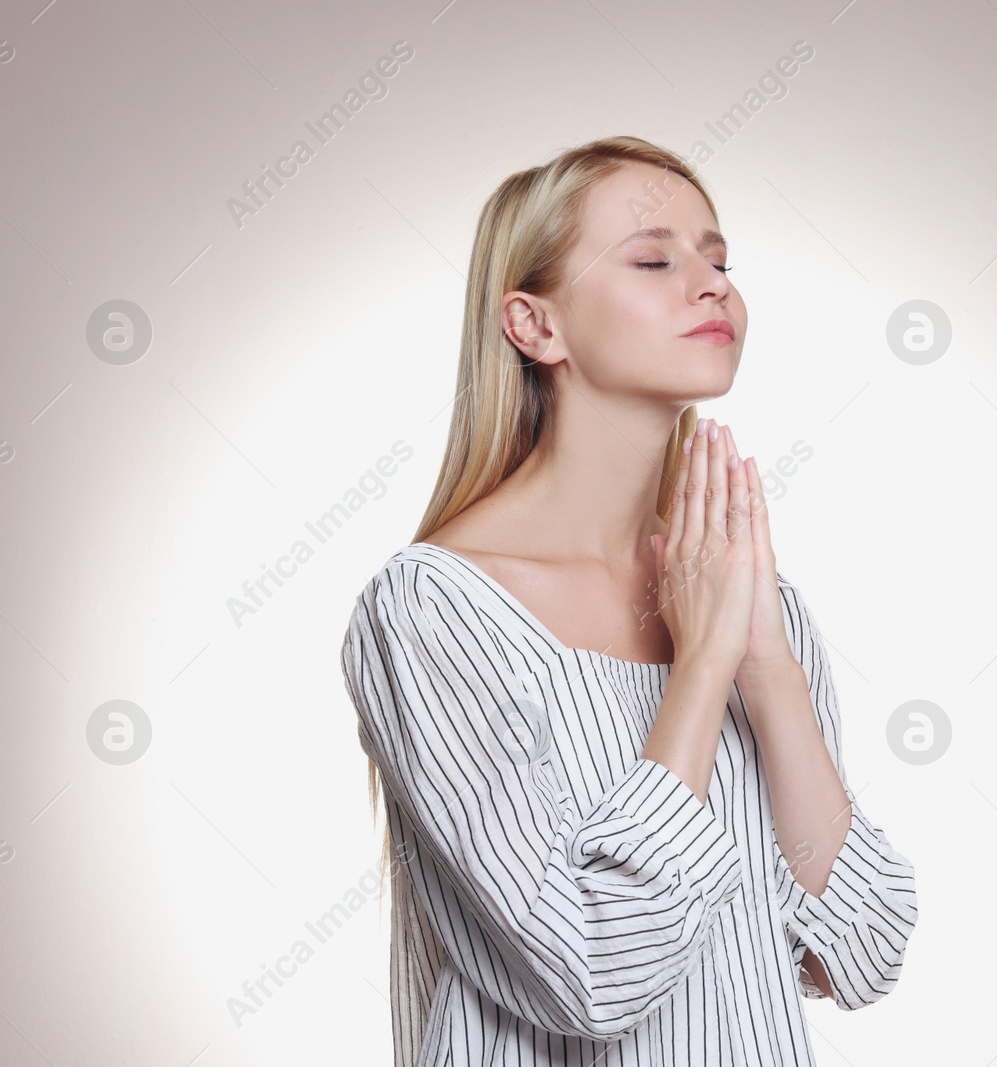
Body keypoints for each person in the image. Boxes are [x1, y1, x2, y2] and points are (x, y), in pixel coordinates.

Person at [338, 135, 918, 1066]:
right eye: (655, 259)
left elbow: (859, 952)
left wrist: (764, 665)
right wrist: (701, 668)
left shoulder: (748, 595)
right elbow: (592, 972)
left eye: (720, 259)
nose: (711, 285)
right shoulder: (433, 610)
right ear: (535, 326)